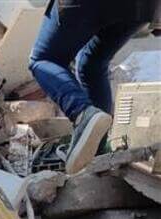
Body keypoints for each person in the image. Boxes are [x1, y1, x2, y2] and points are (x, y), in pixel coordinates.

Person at [29, 0, 159, 174]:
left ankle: (81, 113)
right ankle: (95, 151)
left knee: (44, 59)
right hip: (142, 7)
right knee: (92, 65)